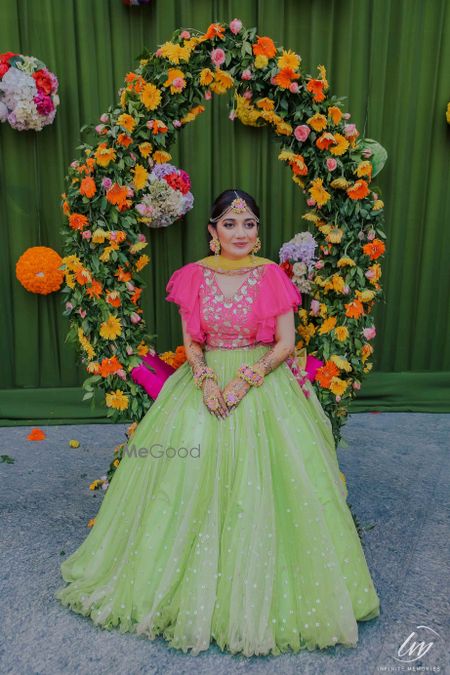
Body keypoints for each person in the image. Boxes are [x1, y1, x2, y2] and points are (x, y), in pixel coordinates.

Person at [55, 188, 380, 657]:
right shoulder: (195, 277)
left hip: (262, 382)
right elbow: (192, 340)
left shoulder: (271, 275)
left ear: (258, 230)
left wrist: (245, 380)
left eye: (249, 224)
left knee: (273, 480)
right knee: (184, 473)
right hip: (205, 383)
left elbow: (286, 342)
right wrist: (205, 380)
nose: (241, 233)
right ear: (212, 232)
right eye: (230, 224)